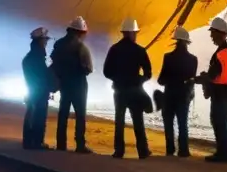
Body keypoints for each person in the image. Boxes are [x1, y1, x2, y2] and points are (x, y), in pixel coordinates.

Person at [103, 18, 152, 159]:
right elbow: (148, 73)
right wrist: (139, 80)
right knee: (138, 121)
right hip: (135, 91)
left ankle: (119, 151)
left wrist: (117, 78)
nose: (135, 35)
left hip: (119, 90)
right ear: (131, 33)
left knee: (119, 120)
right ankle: (143, 151)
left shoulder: (114, 49)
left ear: (124, 32)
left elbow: (106, 71)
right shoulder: (140, 50)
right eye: (135, 33)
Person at [196, 17, 227, 163]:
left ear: (220, 33)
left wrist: (200, 79)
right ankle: (223, 153)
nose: (211, 36)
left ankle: (223, 154)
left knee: (219, 122)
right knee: (221, 122)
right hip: (224, 92)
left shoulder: (222, 53)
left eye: (212, 33)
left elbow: (215, 75)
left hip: (220, 93)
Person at [52, 17, 94, 153]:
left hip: (63, 83)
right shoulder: (81, 47)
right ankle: (80, 145)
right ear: (80, 32)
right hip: (79, 84)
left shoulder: (58, 44)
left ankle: (61, 144)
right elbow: (88, 69)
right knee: (80, 115)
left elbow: (54, 61)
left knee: (63, 113)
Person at [157, 26, 198, 157]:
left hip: (169, 96)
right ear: (187, 42)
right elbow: (191, 79)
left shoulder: (168, 57)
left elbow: (161, 80)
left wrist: (169, 80)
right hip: (184, 96)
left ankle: (170, 149)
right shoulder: (193, 59)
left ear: (176, 41)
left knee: (168, 123)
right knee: (182, 123)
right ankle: (183, 150)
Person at [21, 27, 53, 150]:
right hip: (39, 92)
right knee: (39, 116)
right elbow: (42, 76)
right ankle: (37, 142)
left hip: (31, 91)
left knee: (30, 114)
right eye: (45, 40)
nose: (46, 42)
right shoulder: (38, 57)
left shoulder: (29, 57)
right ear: (40, 40)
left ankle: (28, 141)